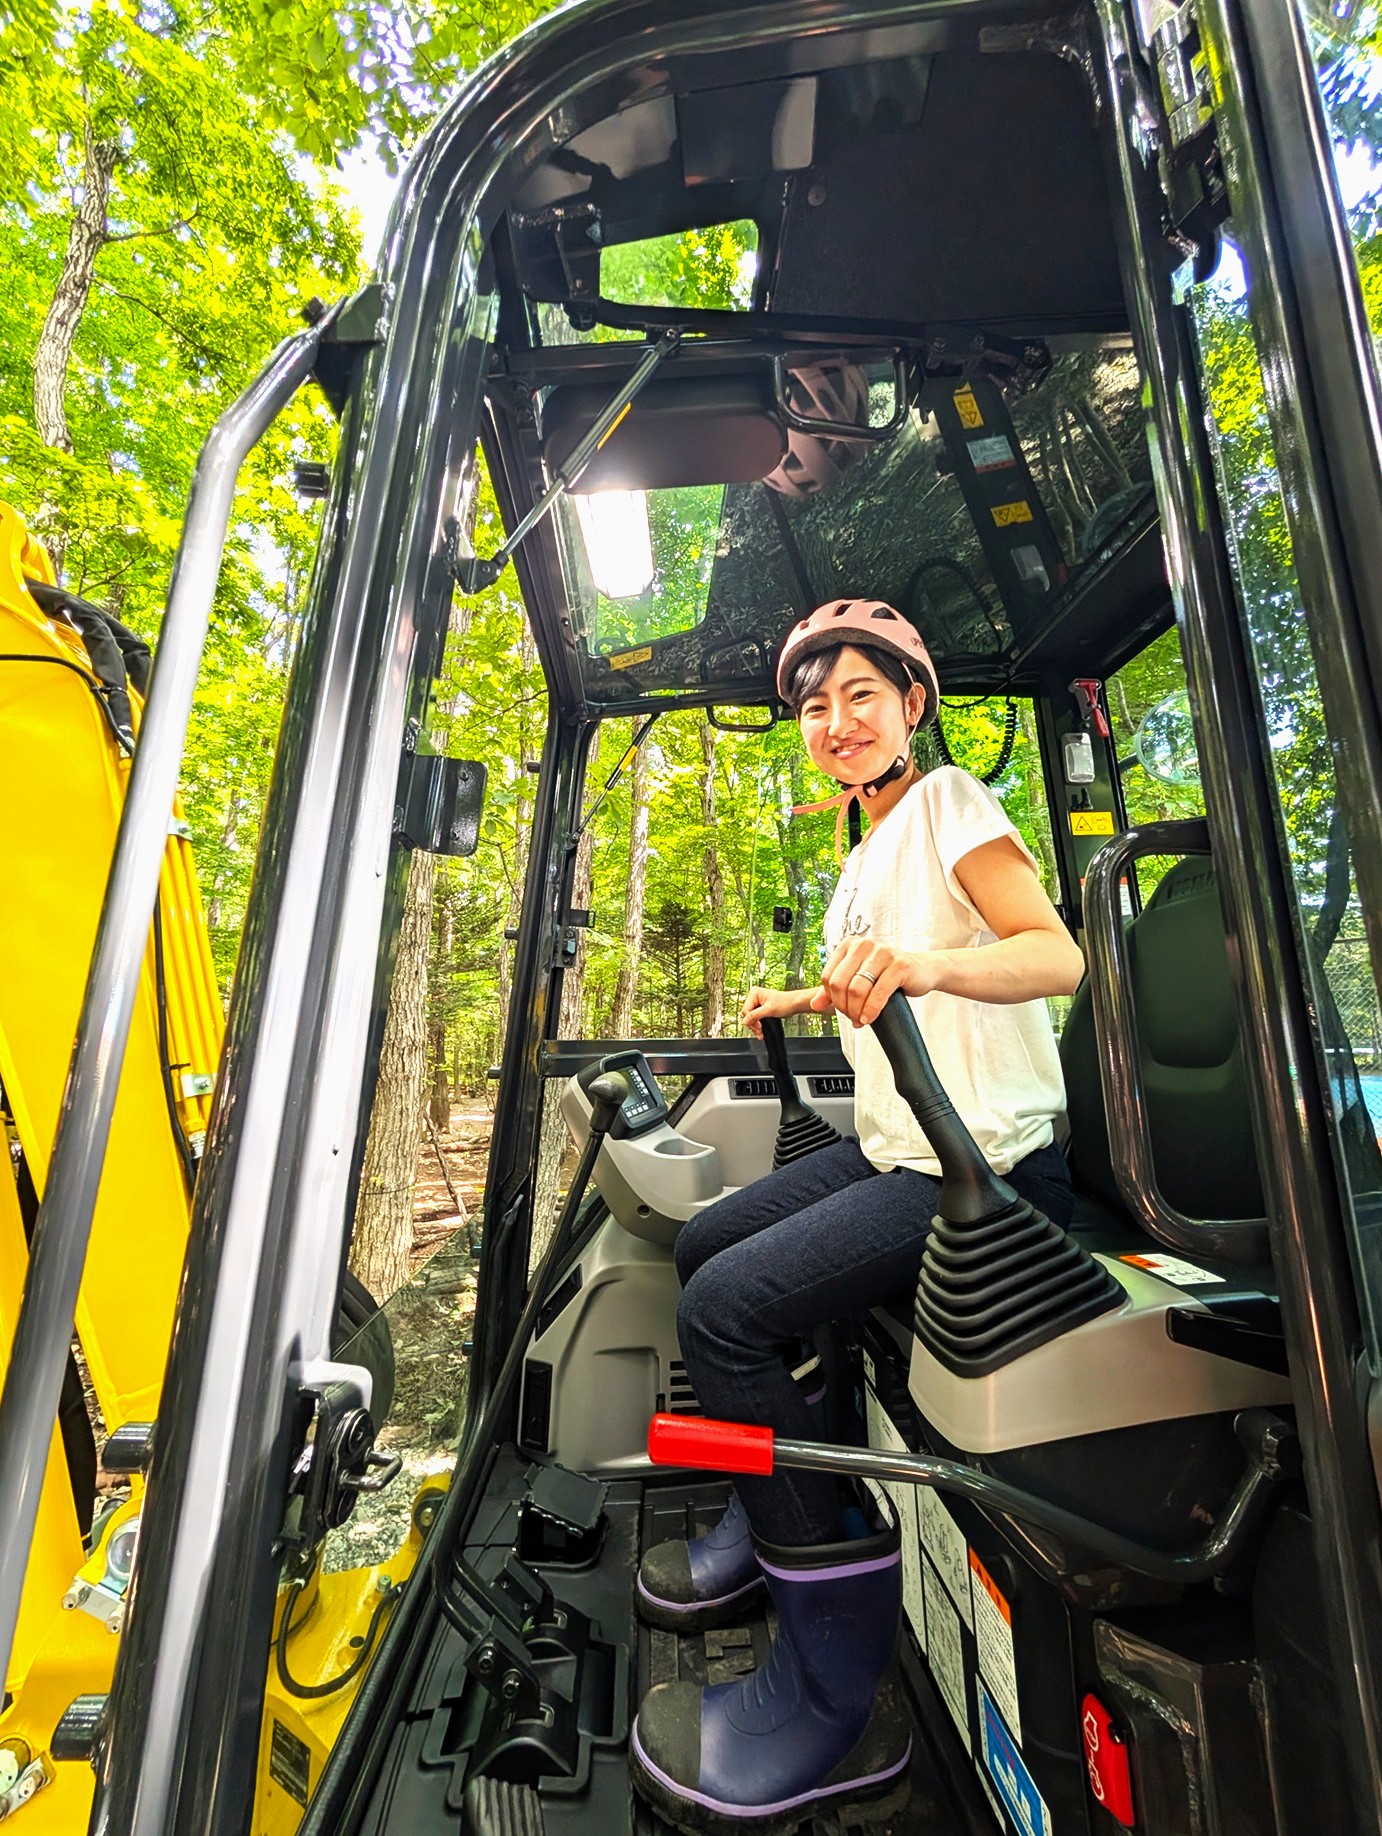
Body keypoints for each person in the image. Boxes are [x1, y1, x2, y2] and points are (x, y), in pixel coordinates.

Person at [630, 598, 1085, 1833]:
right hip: (896, 1147)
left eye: (859, 696)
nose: (835, 721)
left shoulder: (946, 803)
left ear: (910, 705)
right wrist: (803, 995)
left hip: (978, 1169)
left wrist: (928, 966)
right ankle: (769, 1507)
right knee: (702, 1244)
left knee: (725, 1311)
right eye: (815, 705)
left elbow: (1053, 956)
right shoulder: (861, 850)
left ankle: (831, 1685)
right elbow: (879, 987)